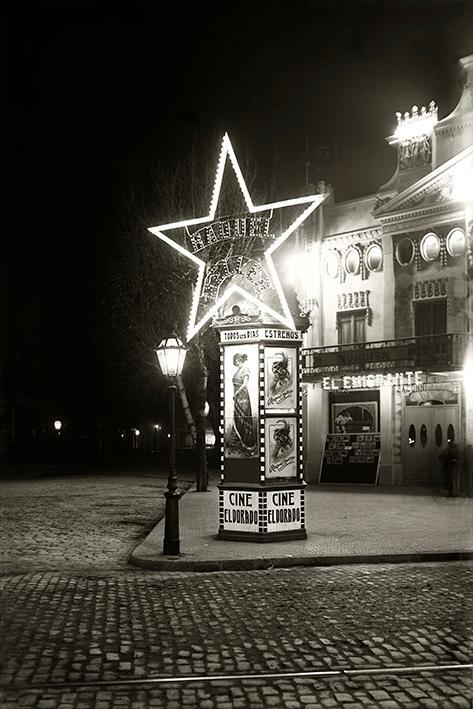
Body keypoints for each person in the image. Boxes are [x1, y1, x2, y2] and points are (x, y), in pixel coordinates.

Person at [231, 352, 256, 454]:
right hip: (238, 399)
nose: (235, 363)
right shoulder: (239, 370)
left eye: (235, 362)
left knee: (244, 420)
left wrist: (236, 394)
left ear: (238, 360)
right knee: (238, 420)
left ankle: (249, 445)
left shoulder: (245, 369)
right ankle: (240, 444)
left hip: (243, 398)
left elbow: (244, 384)